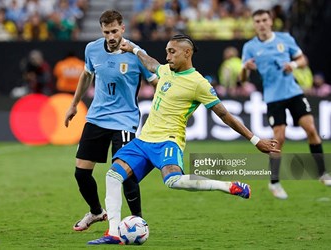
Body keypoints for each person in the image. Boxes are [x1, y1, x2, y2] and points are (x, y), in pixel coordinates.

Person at [87, 34, 280, 245]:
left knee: (173, 181)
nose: (167, 56)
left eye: (172, 52)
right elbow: (152, 64)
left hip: (168, 141)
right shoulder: (166, 70)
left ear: (187, 53)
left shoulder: (199, 84)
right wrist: (133, 49)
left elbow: (224, 115)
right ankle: (114, 233)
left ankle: (227, 186)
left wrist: (255, 140)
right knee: (113, 175)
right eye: (167, 51)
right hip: (143, 140)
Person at [64, 10, 158, 232]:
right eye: (107, 32)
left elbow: (156, 81)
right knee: (81, 173)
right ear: (102, 31)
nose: (111, 36)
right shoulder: (92, 49)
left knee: (125, 173)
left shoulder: (137, 54)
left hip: (125, 121)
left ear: (123, 29)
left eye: (115, 31)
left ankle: (138, 221)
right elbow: (87, 75)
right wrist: (74, 104)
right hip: (96, 118)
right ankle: (96, 212)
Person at [240, 9, 331, 200]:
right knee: (278, 139)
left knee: (311, 129)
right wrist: (245, 69)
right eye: (257, 21)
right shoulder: (250, 47)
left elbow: (303, 60)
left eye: (264, 20)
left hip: (293, 92)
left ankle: (322, 173)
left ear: (271, 21)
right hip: (273, 97)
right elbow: (243, 79)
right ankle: (274, 183)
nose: (262, 24)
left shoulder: (285, 39)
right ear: (254, 24)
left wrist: (294, 65)